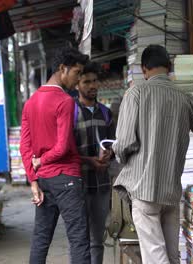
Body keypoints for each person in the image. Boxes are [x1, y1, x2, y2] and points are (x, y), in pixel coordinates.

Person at [112, 45, 193, 264]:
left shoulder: (136, 93)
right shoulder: (184, 98)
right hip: (171, 190)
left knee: (156, 257)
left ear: (144, 69)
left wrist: (120, 156)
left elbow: (124, 142)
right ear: (170, 68)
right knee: (172, 255)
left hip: (144, 189)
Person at [20, 47, 91, 264]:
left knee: (41, 237)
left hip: (44, 180)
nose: (78, 80)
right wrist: (42, 160)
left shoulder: (31, 102)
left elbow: (25, 146)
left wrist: (33, 180)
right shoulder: (65, 101)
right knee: (79, 238)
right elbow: (61, 148)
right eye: (77, 73)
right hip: (66, 178)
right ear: (63, 69)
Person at [73, 61, 115, 264]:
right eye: (86, 81)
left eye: (95, 81)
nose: (92, 85)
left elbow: (115, 144)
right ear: (77, 85)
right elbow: (65, 151)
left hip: (101, 185)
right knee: (80, 240)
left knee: (97, 240)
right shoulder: (70, 112)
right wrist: (88, 161)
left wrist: (110, 153)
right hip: (77, 184)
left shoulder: (106, 113)